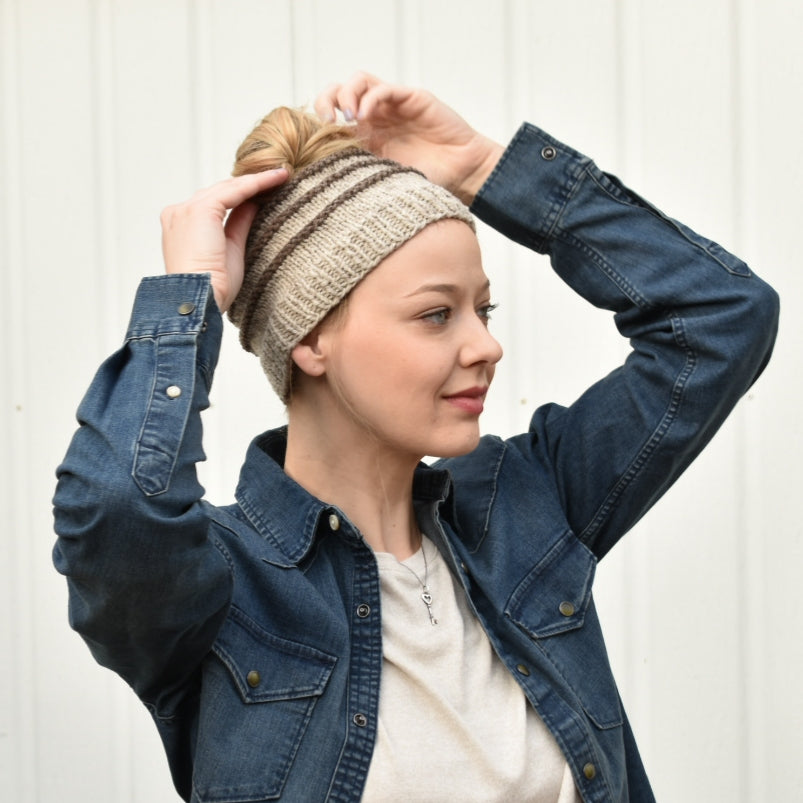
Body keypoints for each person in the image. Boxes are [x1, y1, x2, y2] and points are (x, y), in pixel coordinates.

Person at [52, 72, 779, 802]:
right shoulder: (224, 586)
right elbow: (118, 511)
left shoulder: (522, 508)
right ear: (310, 339)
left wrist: (479, 171)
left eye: (483, 312)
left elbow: (720, 319)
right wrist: (190, 302)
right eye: (437, 314)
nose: (485, 347)